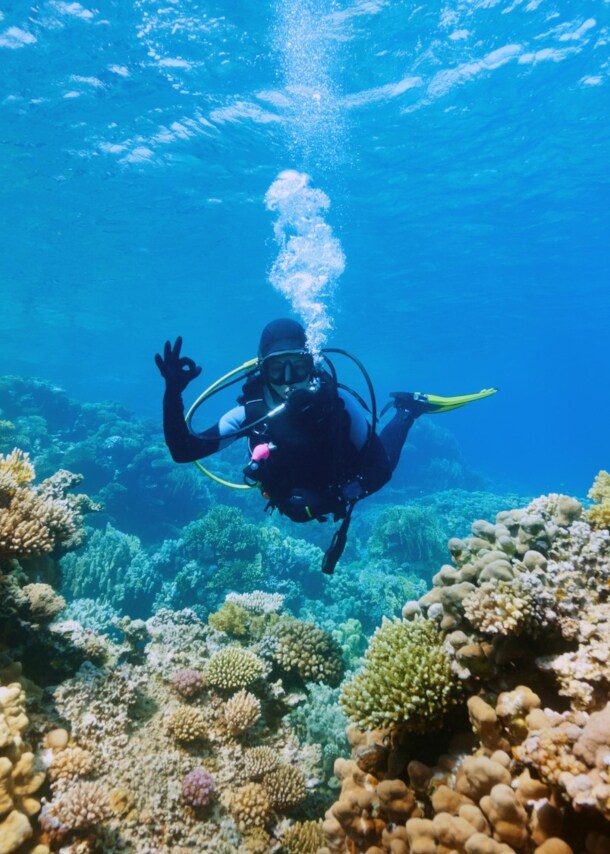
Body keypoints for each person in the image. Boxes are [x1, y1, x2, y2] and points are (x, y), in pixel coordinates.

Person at [155, 318, 495, 573]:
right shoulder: (251, 414)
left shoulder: (339, 404)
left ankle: (408, 410)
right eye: (277, 368)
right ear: (263, 369)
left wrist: (335, 498)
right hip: (293, 494)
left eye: (297, 366)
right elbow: (184, 451)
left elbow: (378, 469)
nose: (289, 380)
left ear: (311, 364)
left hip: (344, 477)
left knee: (388, 458)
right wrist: (173, 393)